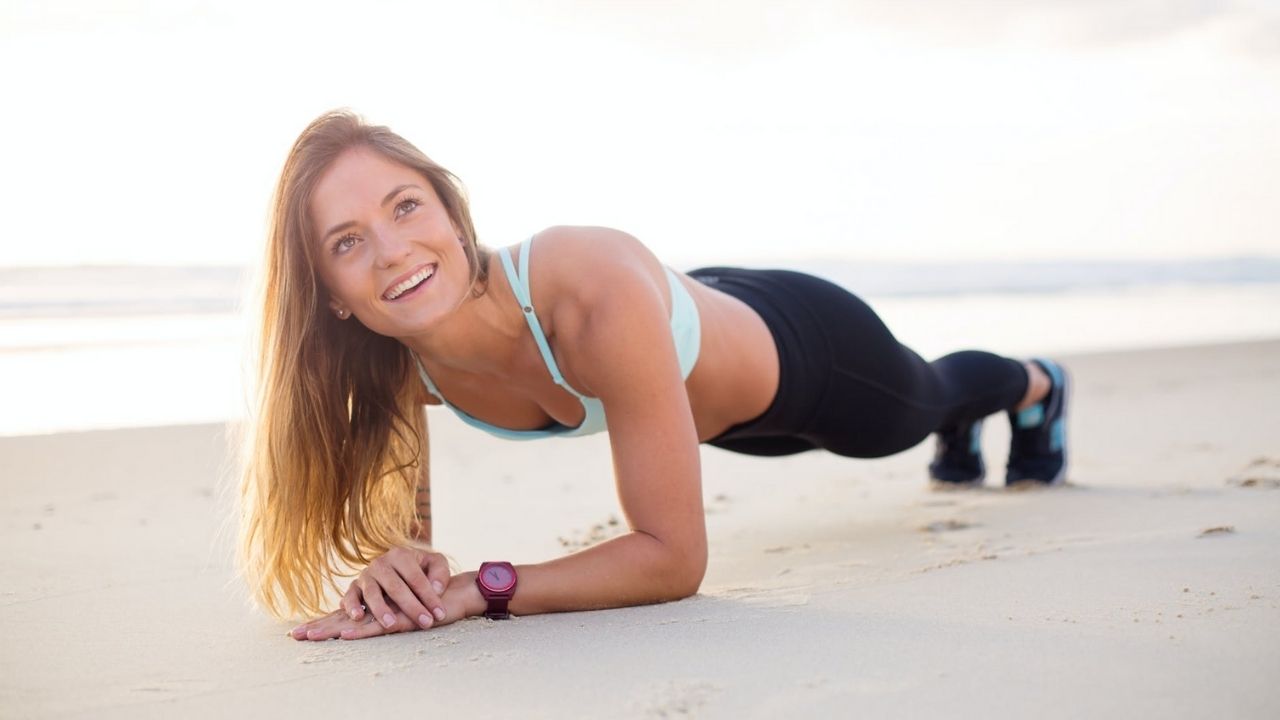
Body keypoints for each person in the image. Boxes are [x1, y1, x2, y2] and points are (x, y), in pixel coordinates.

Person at [240, 110, 1070, 642]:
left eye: (405, 206)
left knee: (919, 405)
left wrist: (483, 590)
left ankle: (1037, 386)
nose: (391, 251)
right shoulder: (395, 362)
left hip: (806, 353)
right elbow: (407, 516)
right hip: (704, 400)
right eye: (346, 242)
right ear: (332, 296)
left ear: (453, 214)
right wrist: (401, 560)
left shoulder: (585, 286)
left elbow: (674, 561)